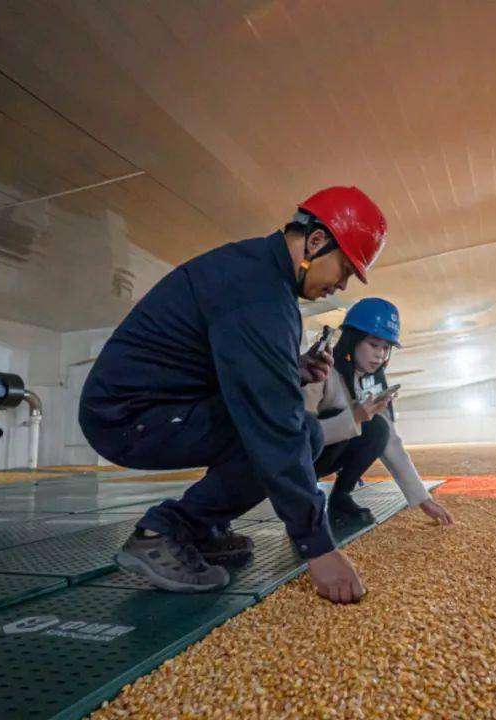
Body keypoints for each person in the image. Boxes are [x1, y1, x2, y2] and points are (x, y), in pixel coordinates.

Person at [78, 187, 386, 604]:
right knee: (291, 434)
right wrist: (319, 546)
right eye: (345, 269)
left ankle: (201, 529)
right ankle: (165, 531)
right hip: (127, 416)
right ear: (317, 241)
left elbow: (224, 365)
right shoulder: (260, 296)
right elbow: (275, 426)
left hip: (155, 405)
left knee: (302, 433)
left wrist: (289, 370)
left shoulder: (256, 275)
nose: (341, 285)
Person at [303, 298, 454, 527]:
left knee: (378, 427)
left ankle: (340, 497)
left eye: (385, 348)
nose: (380, 355)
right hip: (302, 461)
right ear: (352, 340)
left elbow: (390, 441)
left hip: (327, 455)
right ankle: (305, 496)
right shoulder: (319, 371)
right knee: (349, 414)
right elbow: (297, 436)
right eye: (374, 345)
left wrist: (423, 499)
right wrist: (353, 417)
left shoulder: (372, 382)